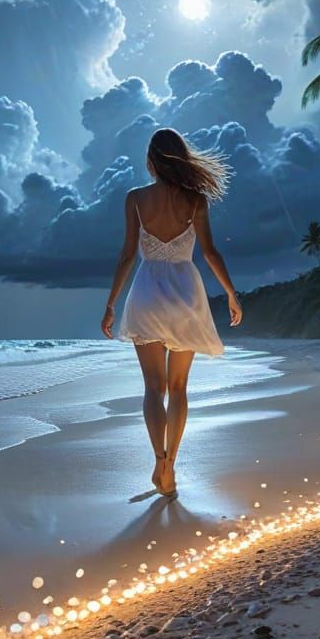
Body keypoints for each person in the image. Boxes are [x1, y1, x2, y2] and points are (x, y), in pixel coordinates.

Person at [101, 127, 242, 498]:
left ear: (151, 160)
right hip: (184, 293)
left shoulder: (135, 198)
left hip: (146, 292)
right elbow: (211, 252)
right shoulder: (196, 199)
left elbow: (128, 255)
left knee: (153, 387)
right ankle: (170, 466)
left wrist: (111, 303)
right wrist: (231, 293)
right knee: (178, 387)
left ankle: (158, 457)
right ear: (180, 156)